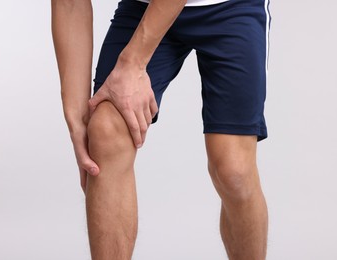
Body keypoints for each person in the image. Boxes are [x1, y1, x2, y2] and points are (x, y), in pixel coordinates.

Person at [51, 0, 271, 258]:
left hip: (231, 8)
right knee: (105, 131)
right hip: (143, 7)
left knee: (233, 170)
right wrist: (78, 120)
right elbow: (70, 4)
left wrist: (132, 64)